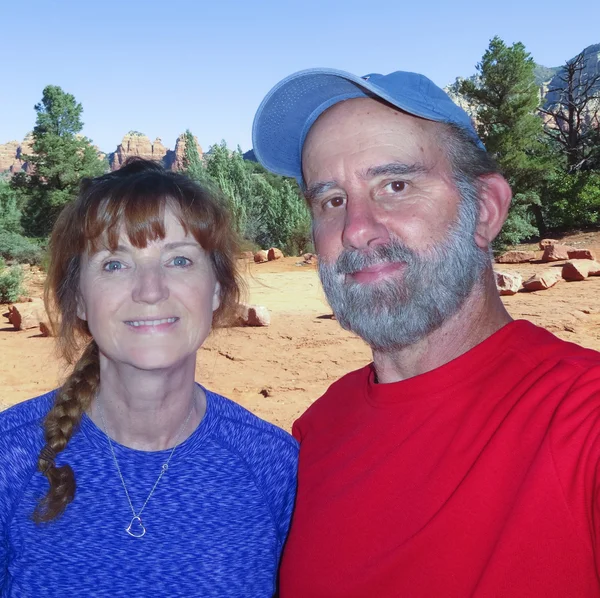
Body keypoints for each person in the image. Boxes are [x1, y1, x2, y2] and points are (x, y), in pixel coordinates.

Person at [252, 68, 600, 597]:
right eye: (332, 200)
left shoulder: (581, 416)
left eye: (395, 185)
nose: (356, 229)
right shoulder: (315, 433)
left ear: (484, 210)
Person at [0, 159, 298, 597]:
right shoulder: (11, 458)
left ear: (215, 289)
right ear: (79, 298)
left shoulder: (273, 466)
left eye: (179, 259)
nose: (151, 289)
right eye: (115, 264)